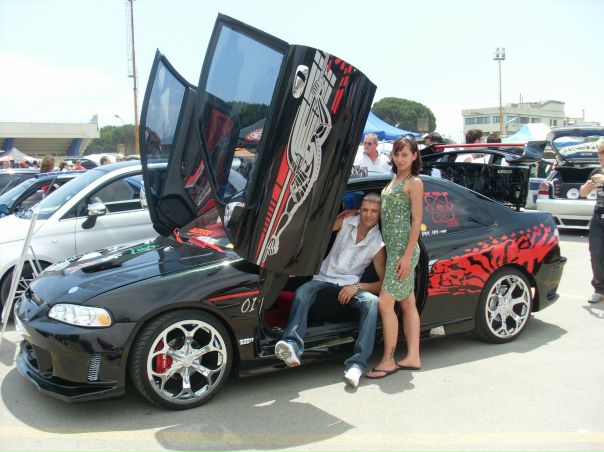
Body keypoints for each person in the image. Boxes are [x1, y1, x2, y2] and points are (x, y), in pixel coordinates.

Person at [275, 193, 387, 388]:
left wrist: (357, 287)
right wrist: (337, 217)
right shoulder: (346, 222)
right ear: (359, 210)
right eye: (365, 210)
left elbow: (382, 283)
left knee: (372, 302)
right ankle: (292, 345)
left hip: (348, 285)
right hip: (323, 278)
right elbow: (317, 229)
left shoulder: (378, 243)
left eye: (374, 211)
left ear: (380, 214)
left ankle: (357, 364)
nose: (369, 215)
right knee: (302, 292)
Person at [366, 137, 423, 379]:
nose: (400, 159)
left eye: (405, 154)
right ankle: (413, 356)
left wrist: (406, 257)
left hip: (403, 253)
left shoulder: (414, 182)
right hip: (393, 252)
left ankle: (389, 360)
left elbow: (416, 221)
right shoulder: (394, 180)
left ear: (414, 156)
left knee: (385, 303)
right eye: (397, 154)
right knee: (408, 303)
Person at [580, 142, 604, 303]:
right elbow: (582, 193)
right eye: (600, 160)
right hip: (598, 216)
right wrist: (589, 186)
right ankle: (599, 289)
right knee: (596, 254)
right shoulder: (596, 172)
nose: (602, 163)